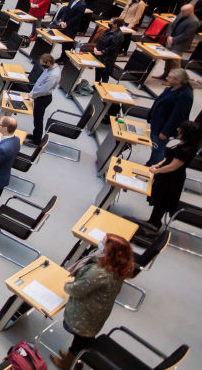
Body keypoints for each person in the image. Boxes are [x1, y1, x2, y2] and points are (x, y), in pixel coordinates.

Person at [49, 234, 135, 369]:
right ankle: (74, 357)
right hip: (98, 311)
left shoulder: (100, 272)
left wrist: (66, 285)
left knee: (81, 339)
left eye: (103, 243)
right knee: (84, 339)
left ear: (109, 253)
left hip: (86, 314)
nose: (100, 242)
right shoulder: (118, 267)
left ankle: (69, 363)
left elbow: (77, 290)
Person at [145, 120, 201, 229]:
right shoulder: (183, 143)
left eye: (180, 128)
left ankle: (153, 226)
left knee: (162, 202)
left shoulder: (188, 150)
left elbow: (172, 166)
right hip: (165, 176)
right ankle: (151, 222)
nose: (177, 129)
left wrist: (156, 171)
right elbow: (168, 159)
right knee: (158, 202)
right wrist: (157, 165)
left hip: (172, 180)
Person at [147, 68, 193, 165]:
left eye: (170, 77)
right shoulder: (172, 88)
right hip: (158, 123)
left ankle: (154, 168)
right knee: (155, 147)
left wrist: (165, 132)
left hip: (164, 128)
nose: (167, 78)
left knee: (158, 149)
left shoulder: (185, 95)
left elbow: (177, 116)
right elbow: (159, 101)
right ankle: (151, 163)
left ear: (178, 81)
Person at [158, 4, 199, 77]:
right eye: (181, 11)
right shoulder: (181, 14)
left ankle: (175, 79)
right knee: (168, 59)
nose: (181, 12)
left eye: (184, 11)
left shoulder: (194, 21)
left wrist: (173, 39)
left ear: (190, 11)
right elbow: (172, 25)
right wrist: (169, 36)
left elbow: (186, 35)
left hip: (180, 44)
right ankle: (165, 75)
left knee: (175, 63)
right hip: (170, 40)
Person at [29, 53, 59, 145]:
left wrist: (33, 95)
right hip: (39, 95)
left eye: (43, 64)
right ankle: (35, 135)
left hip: (43, 98)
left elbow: (44, 90)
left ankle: (36, 140)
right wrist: (33, 92)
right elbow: (40, 81)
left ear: (49, 62)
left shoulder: (53, 75)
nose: (42, 66)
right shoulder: (49, 68)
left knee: (38, 119)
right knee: (36, 118)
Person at [92, 18, 123, 83]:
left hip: (108, 59)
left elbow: (112, 47)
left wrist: (102, 52)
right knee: (98, 71)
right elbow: (101, 39)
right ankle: (96, 85)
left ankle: (103, 88)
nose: (109, 23)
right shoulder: (108, 30)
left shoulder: (118, 35)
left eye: (111, 22)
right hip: (100, 55)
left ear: (115, 25)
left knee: (104, 75)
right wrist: (96, 47)